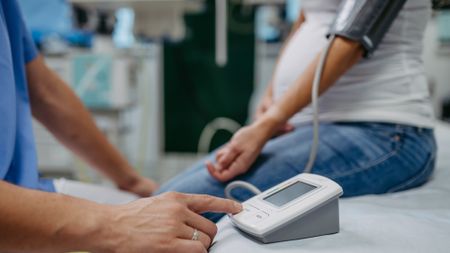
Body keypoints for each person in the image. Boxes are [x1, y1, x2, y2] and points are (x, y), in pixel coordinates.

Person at [157, 0, 437, 222]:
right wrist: (273, 95)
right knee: (167, 197)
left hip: (382, 132)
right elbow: (306, 19)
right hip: (315, 126)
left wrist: (272, 120)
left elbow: (349, 40)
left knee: (179, 208)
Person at [0, 0, 241, 252]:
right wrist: (115, 225)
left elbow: (45, 91)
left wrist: (131, 181)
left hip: (27, 191)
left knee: (191, 229)